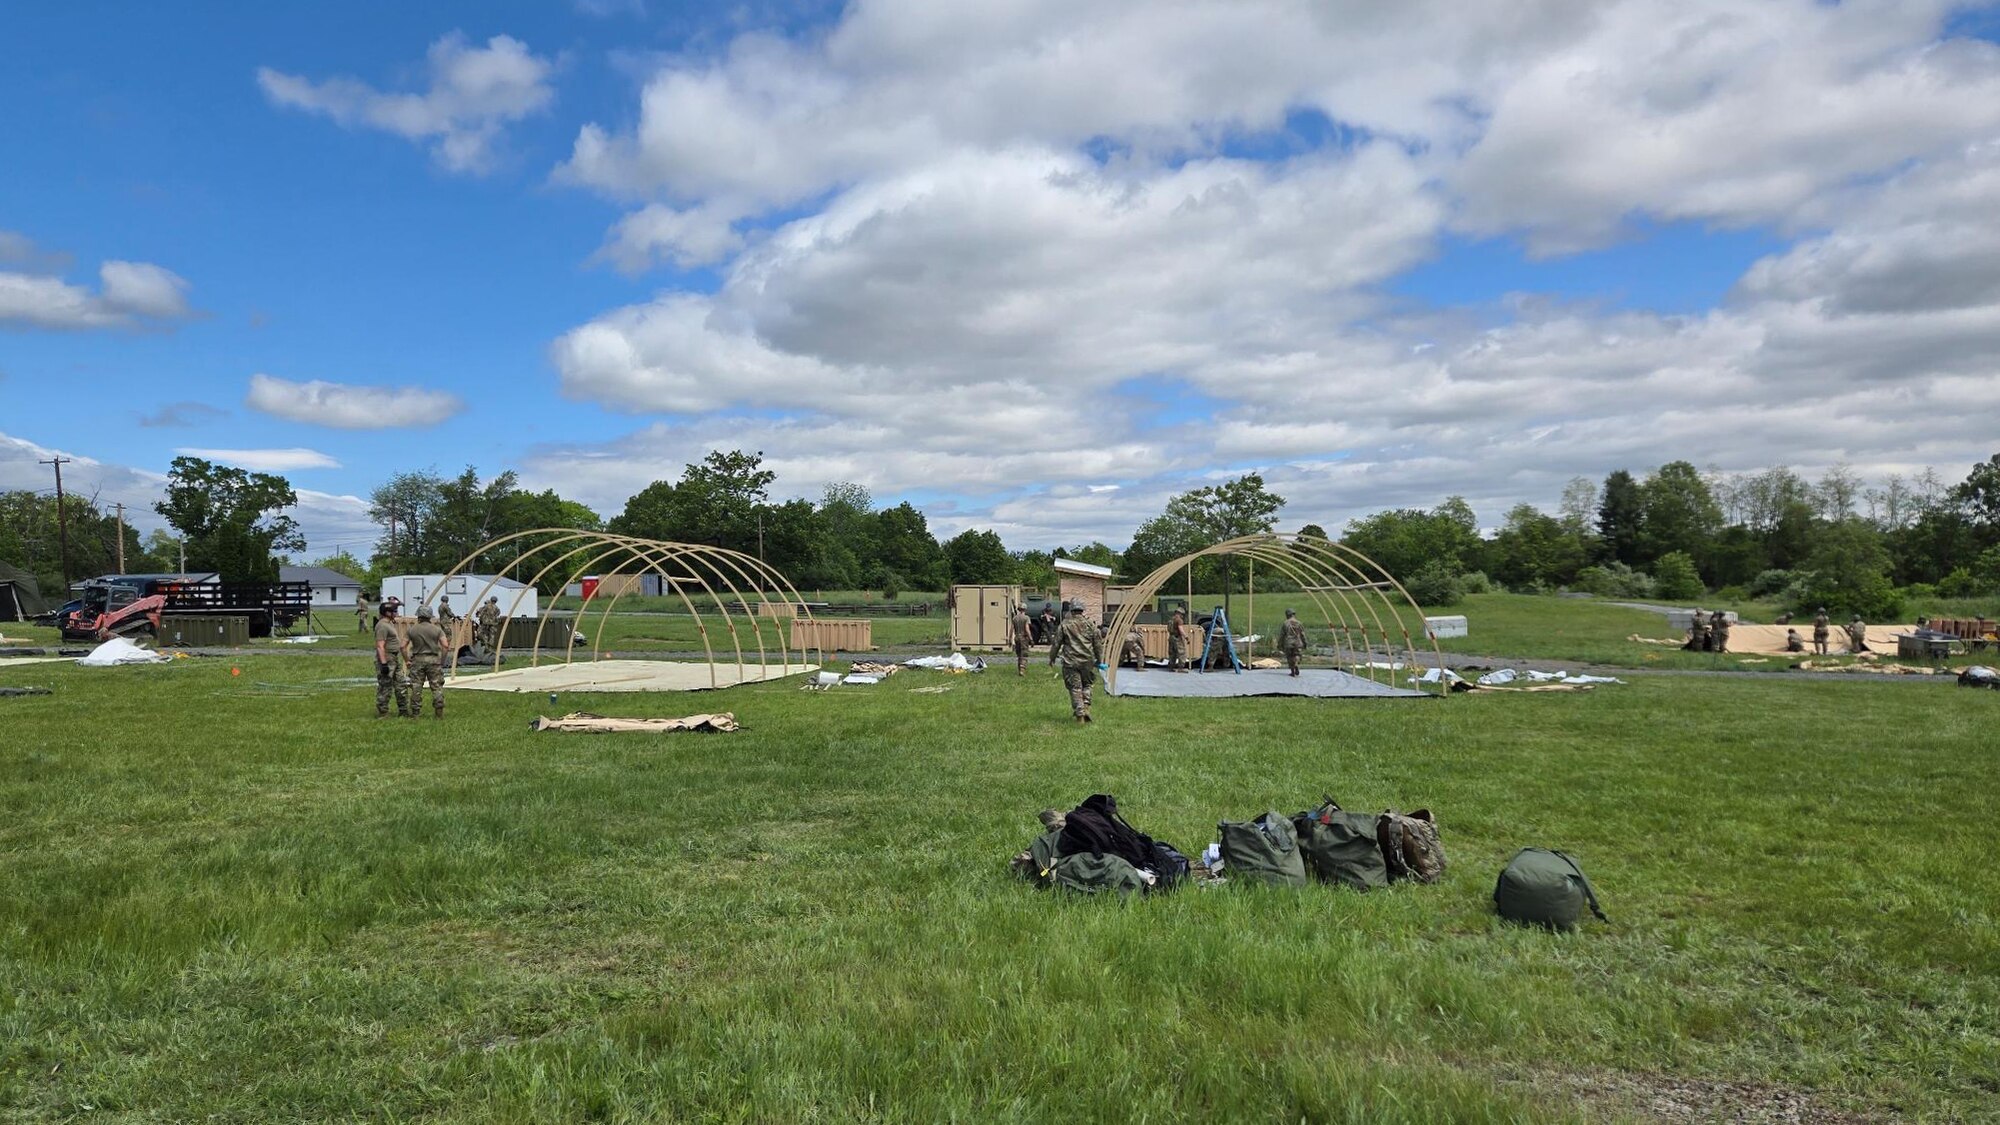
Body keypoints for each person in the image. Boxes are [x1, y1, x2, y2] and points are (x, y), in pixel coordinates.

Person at [1051, 600, 1105, 723]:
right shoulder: (1091, 625)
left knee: (1075, 688)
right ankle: (1086, 707)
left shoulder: (1064, 625)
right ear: (1082, 610)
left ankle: (1080, 716)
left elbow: (1056, 644)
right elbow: (1098, 645)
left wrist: (1052, 658)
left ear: (1071, 610)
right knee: (1087, 685)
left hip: (1071, 662)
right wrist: (1100, 660)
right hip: (1087, 661)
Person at [405, 604, 447, 719]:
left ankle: (415, 714)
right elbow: (445, 645)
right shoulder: (437, 630)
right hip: (433, 660)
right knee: (436, 686)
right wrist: (442, 661)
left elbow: (402, 646)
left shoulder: (412, 630)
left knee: (416, 687)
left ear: (418, 616)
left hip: (417, 660)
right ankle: (439, 713)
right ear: (430, 616)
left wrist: (407, 660)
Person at [373, 599, 410, 719]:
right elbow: (380, 645)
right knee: (385, 686)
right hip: (387, 658)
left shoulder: (389, 623)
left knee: (401, 684)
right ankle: (383, 712)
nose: (396, 612)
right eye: (394, 610)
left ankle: (403, 711)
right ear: (387, 613)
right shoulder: (382, 626)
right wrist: (383, 664)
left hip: (394, 657)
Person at [1278, 608, 1308, 677]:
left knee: (1289, 657)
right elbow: (1302, 634)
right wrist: (1305, 643)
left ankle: (1292, 672)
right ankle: (1296, 664)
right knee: (1297, 655)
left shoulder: (1285, 623)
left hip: (1288, 642)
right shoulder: (1299, 623)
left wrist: (1279, 644)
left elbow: (1282, 635)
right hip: (1297, 642)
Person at [1009, 604, 1033, 677]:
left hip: (1016, 637)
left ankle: (1019, 669)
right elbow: (1027, 629)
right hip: (1023, 638)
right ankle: (1022, 671)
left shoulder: (1015, 618)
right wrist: (1031, 639)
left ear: (1019, 609)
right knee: (1024, 654)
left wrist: (1010, 639)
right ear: (1025, 609)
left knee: (1019, 654)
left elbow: (1011, 629)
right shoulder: (1026, 618)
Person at [1166, 608, 1190, 673]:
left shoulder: (1171, 619)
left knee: (1172, 653)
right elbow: (1181, 630)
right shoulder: (1179, 620)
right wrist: (1186, 637)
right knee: (1182, 653)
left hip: (1171, 637)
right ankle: (1181, 668)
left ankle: (1171, 666)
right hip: (1177, 638)